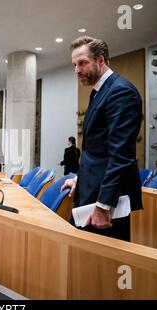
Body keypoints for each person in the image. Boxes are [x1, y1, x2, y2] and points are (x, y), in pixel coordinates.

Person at [61, 36, 142, 241]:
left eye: (82, 63)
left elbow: (121, 155)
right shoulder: (98, 92)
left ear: (101, 60)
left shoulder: (121, 91)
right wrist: (80, 179)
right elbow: (96, 150)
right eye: (74, 65)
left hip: (107, 201)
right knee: (83, 256)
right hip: (91, 190)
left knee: (103, 265)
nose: (77, 70)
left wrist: (104, 205)